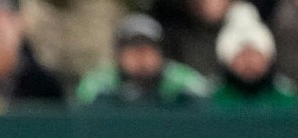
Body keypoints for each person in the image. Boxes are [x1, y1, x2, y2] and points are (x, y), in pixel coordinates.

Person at [77, 13, 210, 105]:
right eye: (133, 48)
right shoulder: (100, 83)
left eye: (148, 48)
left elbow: (209, 104)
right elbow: (80, 110)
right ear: (118, 54)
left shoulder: (182, 80)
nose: (141, 57)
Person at [212, 3, 297, 106]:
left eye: (255, 54)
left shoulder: (289, 103)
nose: (248, 61)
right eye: (241, 55)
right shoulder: (211, 104)